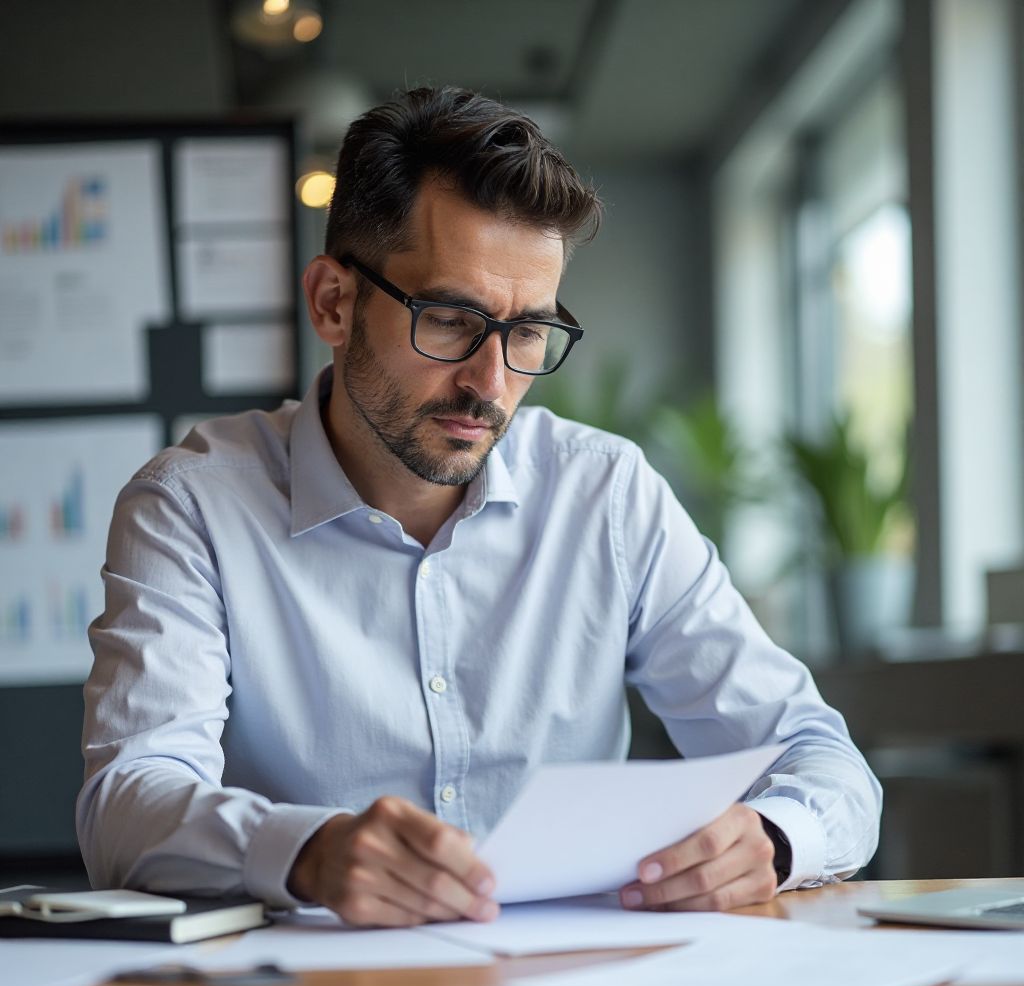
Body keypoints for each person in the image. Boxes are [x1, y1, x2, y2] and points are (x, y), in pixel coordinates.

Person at [78, 86, 881, 928]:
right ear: (333, 303)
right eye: (452, 319)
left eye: (529, 331)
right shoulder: (192, 508)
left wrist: (772, 837)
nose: (490, 384)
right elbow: (128, 803)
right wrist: (308, 852)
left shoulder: (606, 495)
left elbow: (822, 761)